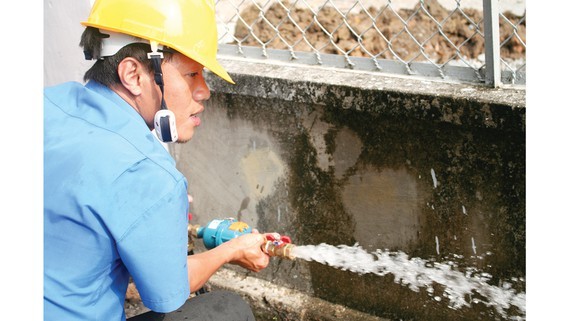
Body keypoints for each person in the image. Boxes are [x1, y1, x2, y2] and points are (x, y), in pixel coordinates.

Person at [44, 0, 274, 320]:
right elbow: (169, 295)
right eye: (192, 73)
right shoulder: (148, 176)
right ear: (134, 74)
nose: (204, 91)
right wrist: (232, 250)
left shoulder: (48, 102)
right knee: (228, 310)